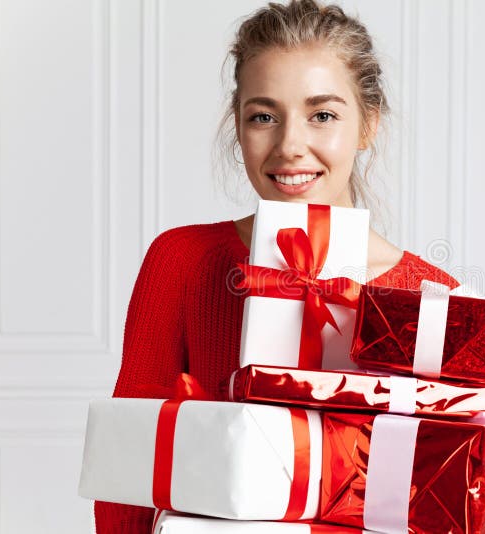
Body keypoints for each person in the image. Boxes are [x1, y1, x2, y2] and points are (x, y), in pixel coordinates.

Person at [93, 1, 463, 531]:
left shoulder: (431, 298)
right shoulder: (182, 262)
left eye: (323, 115)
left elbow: (446, 500)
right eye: (263, 116)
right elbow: (128, 476)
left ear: (368, 124)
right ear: (238, 125)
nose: (290, 146)